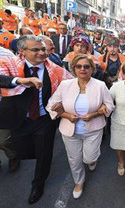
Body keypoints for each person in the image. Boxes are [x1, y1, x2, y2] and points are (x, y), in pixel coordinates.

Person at [0, 35, 73, 204]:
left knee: (44, 153)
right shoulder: (10, 65)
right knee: (21, 150)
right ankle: (18, 156)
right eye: (35, 50)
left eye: (43, 49)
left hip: (44, 119)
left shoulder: (54, 69)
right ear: (22, 51)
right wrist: (22, 80)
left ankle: (38, 185)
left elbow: (71, 84)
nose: (41, 53)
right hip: (20, 119)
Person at [46, 55, 114, 199]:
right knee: (74, 159)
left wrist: (95, 114)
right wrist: (65, 115)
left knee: (89, 159)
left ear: (92, 69)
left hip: (93, 130)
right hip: (70, 132)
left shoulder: (100, 86)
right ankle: (79, 182)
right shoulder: (65, 85)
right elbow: (50, 106)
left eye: (86, 66)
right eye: (79, 66)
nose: (82, 69)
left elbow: (110, 106)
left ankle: (92, 160)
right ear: (74, 68)